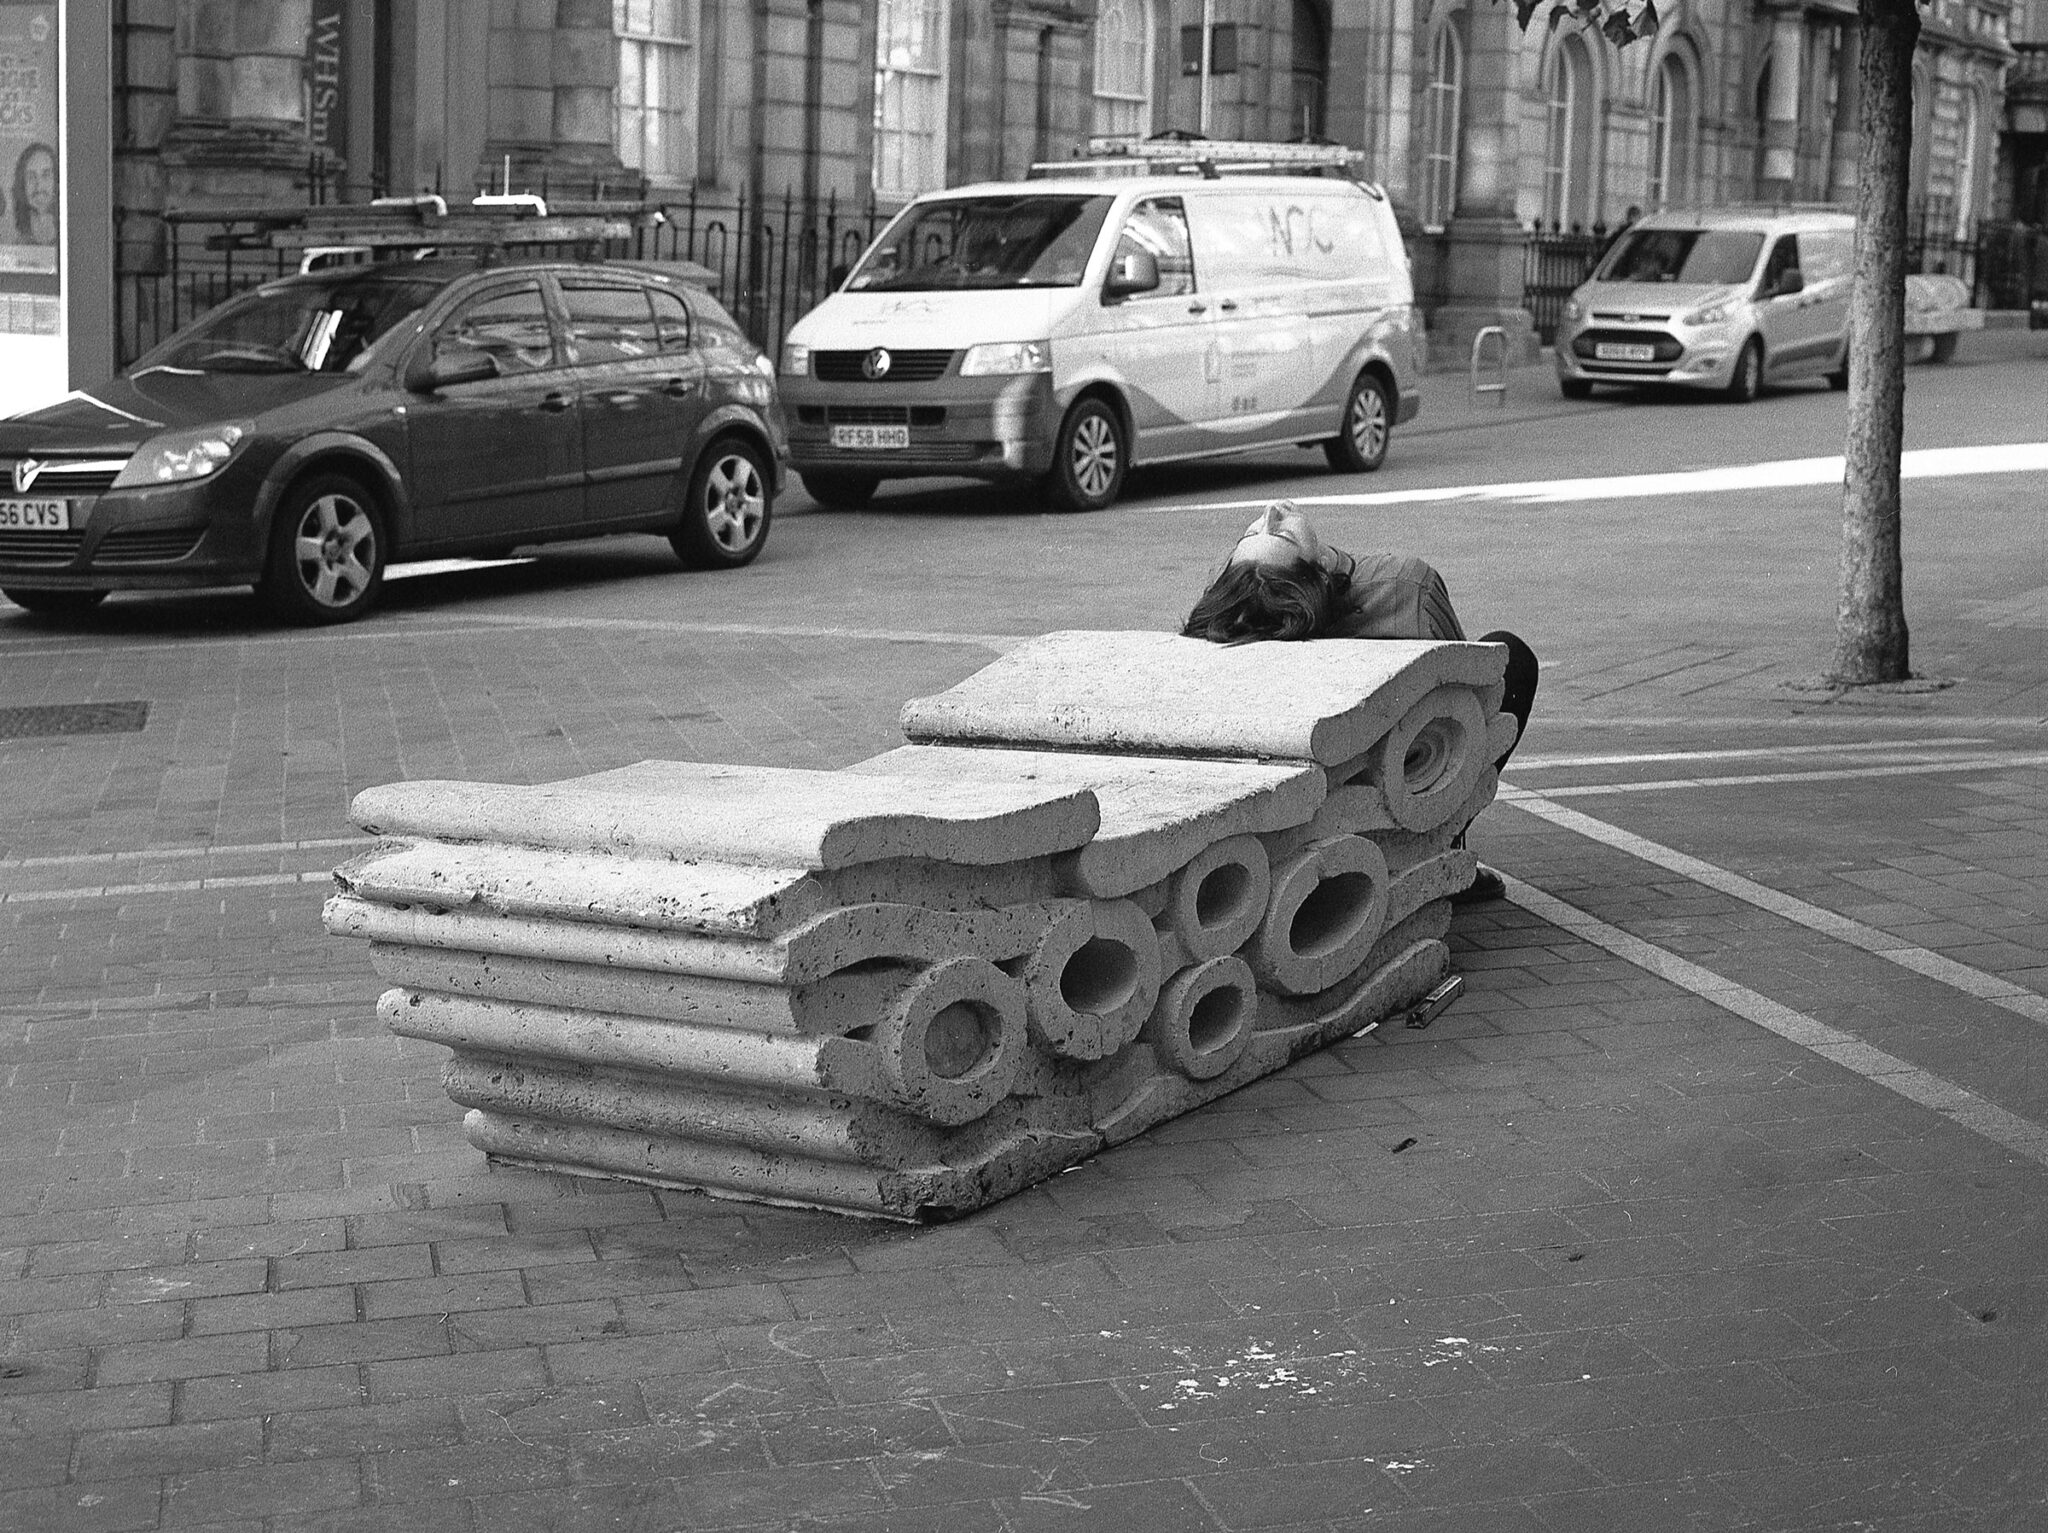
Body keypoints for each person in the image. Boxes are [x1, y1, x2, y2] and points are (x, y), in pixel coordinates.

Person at [1182, 501, 1538, 903]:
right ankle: (1445, 846)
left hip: (1311, 821)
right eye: (1280, 534)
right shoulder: (1404, 586)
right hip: (1410, 787)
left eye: (1252, 533)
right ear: (1313, 574)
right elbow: (1464, 703)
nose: (1270, 512)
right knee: (1512, 659)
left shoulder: (1221, 631)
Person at [13, 142, 57, 246]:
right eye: (31, 177)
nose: (39, 186)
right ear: (22, 185)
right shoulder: (17, 243)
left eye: (46, 175)